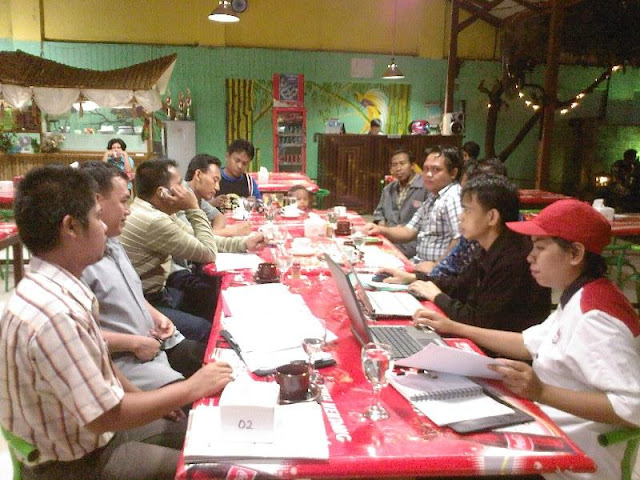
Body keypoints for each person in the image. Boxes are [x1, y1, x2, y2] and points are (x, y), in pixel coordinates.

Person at [0, 165, 233, 480]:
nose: (103, 226)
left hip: (99, 437)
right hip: (77, 464)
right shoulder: (54, 314)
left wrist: (142, 394)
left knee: (211, 433)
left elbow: (100, 364)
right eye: (97, 217)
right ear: (71, 227)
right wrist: (192, 387)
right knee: (209, 468)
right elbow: (105, 416)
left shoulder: (61, 284)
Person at [413, 199, 640, 480]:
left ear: (575, 253)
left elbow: (632, 406)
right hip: (544, 430)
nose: (530, 257)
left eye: (540, 248)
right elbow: (527, 342)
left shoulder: (595, 316)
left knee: (438, 459)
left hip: (570, 463)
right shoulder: (579, 294)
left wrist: (541, 392)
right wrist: (455, 327)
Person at [80, 161, 206, 391]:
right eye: (123, 201)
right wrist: (134, 343)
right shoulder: (81, 260)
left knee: (218, 358)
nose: (128, 209)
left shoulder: (113, 242)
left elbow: (132, 293)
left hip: (155, 342)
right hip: (132, 360)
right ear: (97, 203)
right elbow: (79, 338)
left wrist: (157, 316)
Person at [382, 174, 550, 334]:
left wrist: (437, 297)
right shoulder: (488, 245)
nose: (460, 217)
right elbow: (459, 285)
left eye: (467, 210)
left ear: (492, 217)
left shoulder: (513, 258)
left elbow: (480, 321)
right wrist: (414, 278)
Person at [119, 159, 264, 342]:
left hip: (156, 293)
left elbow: (198, 237)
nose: (185, 189)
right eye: (179, 184)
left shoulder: (157, 211)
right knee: (205, 328)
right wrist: (193, 207)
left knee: (211, 298)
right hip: (144, 302)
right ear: (162, 193)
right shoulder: (154, 220)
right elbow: (208, 252)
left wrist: (244, 243)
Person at [364, 145, 462, 269]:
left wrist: (437, 267)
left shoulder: (452, 197)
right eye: (426, 169)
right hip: (417, 263)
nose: (428, 174)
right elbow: (408, 231)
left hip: (435, 270)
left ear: (453, 173)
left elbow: (461, 239)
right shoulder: (433, 197)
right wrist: (380, 229)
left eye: (436, 169)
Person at [428, 157, 507, 279]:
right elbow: (448, 270)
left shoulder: (510, 251)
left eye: (467, 208)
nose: (460, 216)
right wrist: (418, 278)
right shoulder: (474, 235)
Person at [372, 147, 427, 258]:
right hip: (389, 239)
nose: (398, 168)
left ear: (412, 166)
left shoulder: (425, 187)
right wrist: (383, 226)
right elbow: (379, 213)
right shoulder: (388, 189)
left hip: (413, 244)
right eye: (394, 165)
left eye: (402, 163)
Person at [183, 154, 252, 237]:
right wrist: (233, 231)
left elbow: (219, 217)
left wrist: (214, 235)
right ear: (198, 175)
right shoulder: (180, 194)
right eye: (215, 180)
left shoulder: (198, 196)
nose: (217, 188)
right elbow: (190, 236)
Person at [216, 139, 262, 204]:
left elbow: (260, 204)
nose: (240, 166)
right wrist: (212, 203)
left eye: (244, 163)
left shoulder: (249, 183)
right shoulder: (214, 178)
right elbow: (202, 204)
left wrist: (255, 203)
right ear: (227, 156)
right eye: (237, 161)